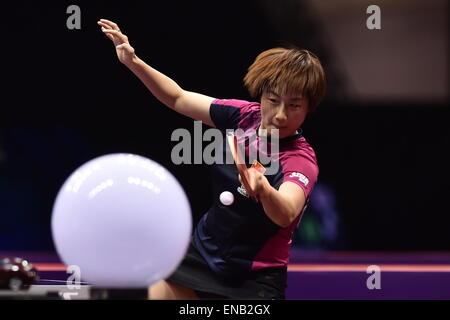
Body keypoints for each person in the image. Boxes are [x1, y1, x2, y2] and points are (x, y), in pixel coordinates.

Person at [98, 18, 326, 299]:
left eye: (293, 106)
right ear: (261, 94)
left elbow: (287, 211)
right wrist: (134, 62)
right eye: (273, 100)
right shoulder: (243, 115)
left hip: (254, 276)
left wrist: (265, 190)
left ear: (308, 109)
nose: (280, 115)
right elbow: (178, 98)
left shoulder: (299, 159)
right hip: (201, 256)